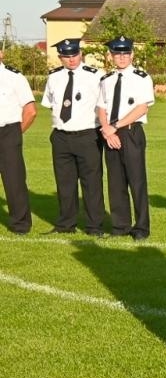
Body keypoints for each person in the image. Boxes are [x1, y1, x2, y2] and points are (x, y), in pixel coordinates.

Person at [41, 38, 105, 235]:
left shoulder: (96, 76)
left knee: (91, 183)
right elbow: (51, 104)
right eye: (66, 56)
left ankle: (94, 226)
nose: (71, 59)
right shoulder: (54, 77)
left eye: (75, 55)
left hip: (87, 135)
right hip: (61, 136)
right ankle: (66, 224)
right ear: (60, 57)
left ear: (80, 53)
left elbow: (105, 104)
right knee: (64, 183)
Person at [95, 35, 155, 240]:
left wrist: (114, 127)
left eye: (125, 53)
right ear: (111, 55)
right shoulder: (106, 80)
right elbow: (101, 107)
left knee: (137, 181)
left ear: (132, 55)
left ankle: (141, 228)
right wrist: (106, 129)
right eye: (117, 54)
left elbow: (142, 107)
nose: (122, 57)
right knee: (115, 182)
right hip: (110, 133)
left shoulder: (142, 77)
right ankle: (120, 226)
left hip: (130, 132)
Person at [0, 47, 38, 234]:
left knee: (13, 180)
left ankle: (20, 224)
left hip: (8, 132)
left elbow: (30, 111)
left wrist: (16, 133)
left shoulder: (14, 77)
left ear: (1, 53)